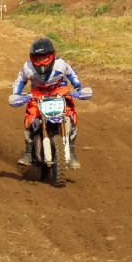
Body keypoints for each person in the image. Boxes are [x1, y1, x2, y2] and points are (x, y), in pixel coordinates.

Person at [11, 37, 84, 169]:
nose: (42, 62)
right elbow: (20, 80)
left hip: (60, 92)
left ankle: (71, 152)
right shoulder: (28, 68)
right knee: (30, 119)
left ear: (52, 56)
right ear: (32, 59)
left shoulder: (60, 64)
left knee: (71, 117)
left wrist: (78, 87)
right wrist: (16, 94)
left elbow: (72, 73)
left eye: (45, 58)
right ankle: (29, 152)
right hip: (38, 95)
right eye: (38, 59)